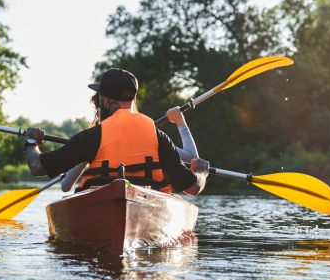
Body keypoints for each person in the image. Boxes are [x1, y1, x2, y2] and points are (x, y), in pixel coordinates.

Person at [23, 68, 209, 195]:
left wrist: (31, 142)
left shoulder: (91, 137)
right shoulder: (158, 137)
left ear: (105, 100)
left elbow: (37, 166)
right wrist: (202, 173)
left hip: (97, 205)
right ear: (133, 99)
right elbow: (193, 188)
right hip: (147, 203)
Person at [59, 94, 199, 192]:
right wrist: (180, 121)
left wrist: (82, 160)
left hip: (98, 201)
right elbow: (193, 158)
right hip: (147, 197)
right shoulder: (151, 137)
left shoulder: (92, 140)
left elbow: (65, 186)